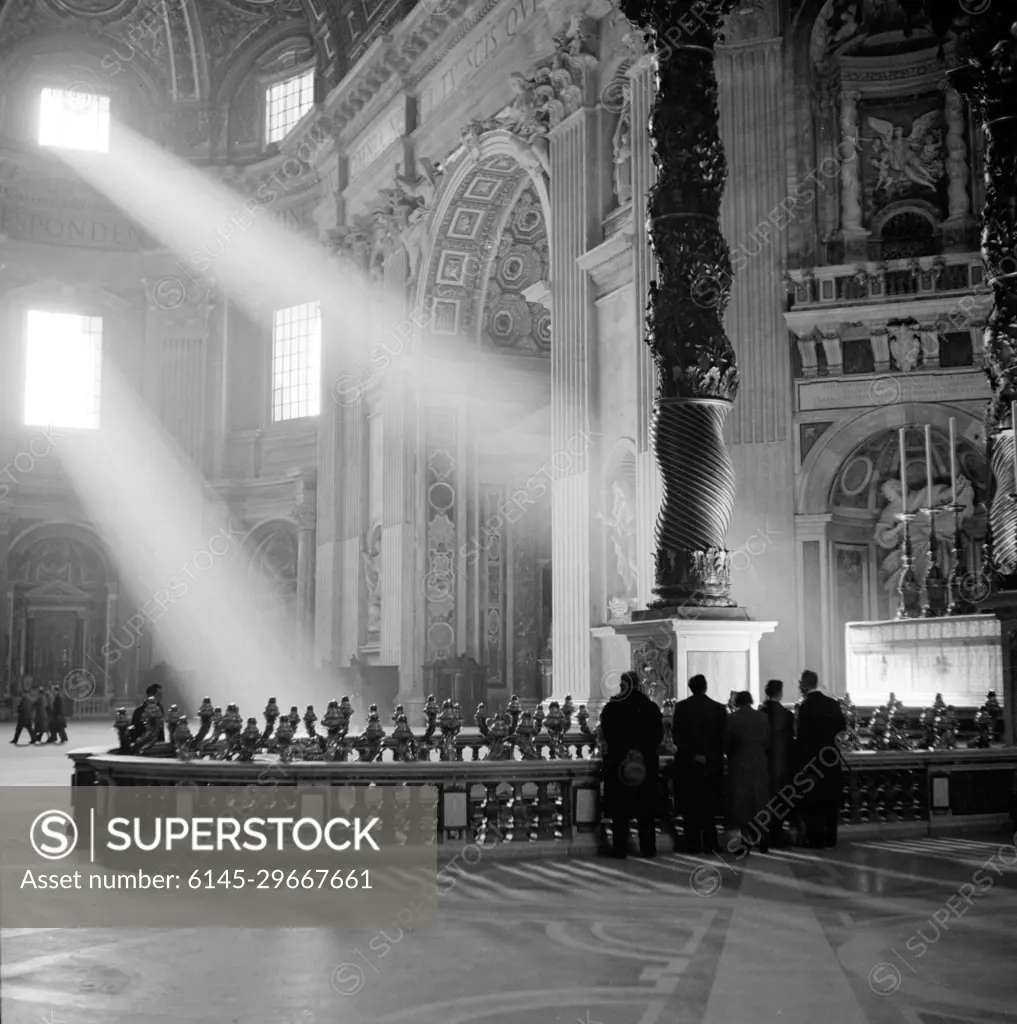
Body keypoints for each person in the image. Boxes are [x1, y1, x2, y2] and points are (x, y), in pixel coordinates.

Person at [600, 671, 664, 858]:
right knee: (646, 810)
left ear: (622, 686)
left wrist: (625, 750)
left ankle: (620, 848)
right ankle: (648, 848)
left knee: (620, 810)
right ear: (638, 685)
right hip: (646, 763)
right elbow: (658, 735)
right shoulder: (650, 707)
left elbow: (607, 733)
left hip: (619, 762)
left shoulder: (612, 707)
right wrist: (640, 751)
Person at [672, 674, 727, 854]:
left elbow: (677, 736)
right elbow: (722, 738)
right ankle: (711, 843)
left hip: (689, 764)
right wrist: (709, 755)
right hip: (712, 763)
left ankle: (692, 844)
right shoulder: (719, 709)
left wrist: (693, 755)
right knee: (710, 806)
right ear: (706, 687)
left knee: (691, 806)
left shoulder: (681, 708)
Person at [795, 669, 847, 848]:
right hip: (831, 761)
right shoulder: (833, 704)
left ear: (804, 684)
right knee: (831, 802)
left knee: (814, 803)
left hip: (813, 764)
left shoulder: (806, 706)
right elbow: (842, 729)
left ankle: (816, 840)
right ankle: (831, 839)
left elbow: (802, 738)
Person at [724, 691, 771, 854]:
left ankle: (746, 841)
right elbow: (767, 740)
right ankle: (763, 839)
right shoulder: (763, 717)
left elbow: (726, 741)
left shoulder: (732, 718)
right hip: (759, 761)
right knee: (759, 799)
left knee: (742, 803)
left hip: (740, 762)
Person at [759, 679, 795, 847]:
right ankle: (778, 833)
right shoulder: (788, 715)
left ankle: (765, 833)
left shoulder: (759, 714)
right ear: (780, 693)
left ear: (767, 692)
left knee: (763, 800)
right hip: (782, 763)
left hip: (763, 762)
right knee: (780, 801)